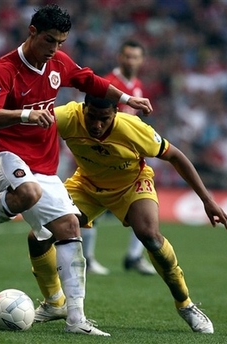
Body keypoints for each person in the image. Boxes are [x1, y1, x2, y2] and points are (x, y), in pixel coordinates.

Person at [0, 5, 153, 337]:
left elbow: (88, 80)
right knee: (28, 192)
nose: (55, 49)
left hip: (42, 165)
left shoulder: (58, 62)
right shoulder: (5, 69)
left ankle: (76, 318)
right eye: (50, 40)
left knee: (68, 225)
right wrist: (25, 116)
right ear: (32, 32)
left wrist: (126, 100)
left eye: (61, 42)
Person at [28, 94, 227, 334]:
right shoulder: (66, 116)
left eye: (104, 119)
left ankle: (185, 304)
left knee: (150, 236)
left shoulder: (133, 128)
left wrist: (207, 200)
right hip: (87, 185)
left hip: (131, 184)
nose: (96, 125)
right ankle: (54, 303)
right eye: (91, 117)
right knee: (38, 237)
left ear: (116, 112)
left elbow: (175, 156)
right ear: (84, 109)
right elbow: (27, 130)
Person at [81, 40, 156, 275]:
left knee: (143, 202)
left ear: (142, 60)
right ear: (119, 57)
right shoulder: (108, 84)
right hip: (103, 156)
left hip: (127, 157)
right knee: (93, 205)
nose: (130, 61)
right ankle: (87, 258)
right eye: (127, 56)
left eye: (135, 57)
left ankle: (133, 256)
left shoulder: (137, 86)